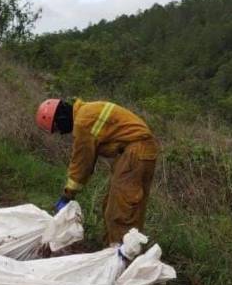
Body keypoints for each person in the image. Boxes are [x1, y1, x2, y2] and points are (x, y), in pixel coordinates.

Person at [36, 98, 159, 245]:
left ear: (61, 118)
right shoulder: (86, 112)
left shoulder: (83, 122)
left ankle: (121, 257)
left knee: (120, 209)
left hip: (136, 152)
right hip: (137, 151)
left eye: (57, 128)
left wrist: (67, 195)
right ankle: (119, 248)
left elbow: (82, 162)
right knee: (116, 206)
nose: (61, 133)